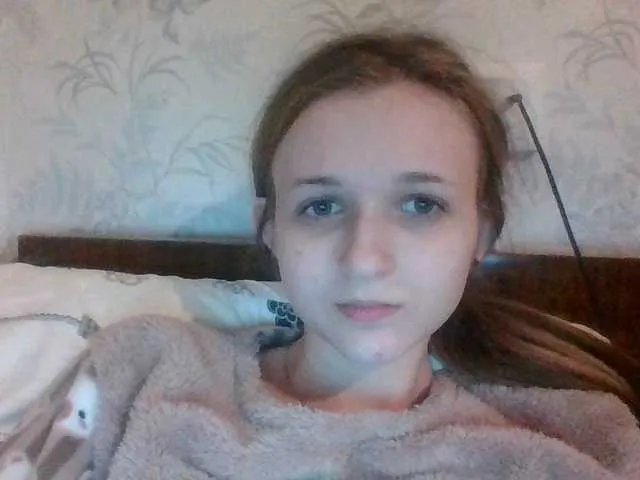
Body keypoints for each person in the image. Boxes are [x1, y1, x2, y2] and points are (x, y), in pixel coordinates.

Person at [1, 31, 639, 479]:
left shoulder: (565, 447)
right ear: (270, 229)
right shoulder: (142, 370)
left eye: (420, 204)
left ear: (482, 234)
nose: (364, 259)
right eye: (322, 206)